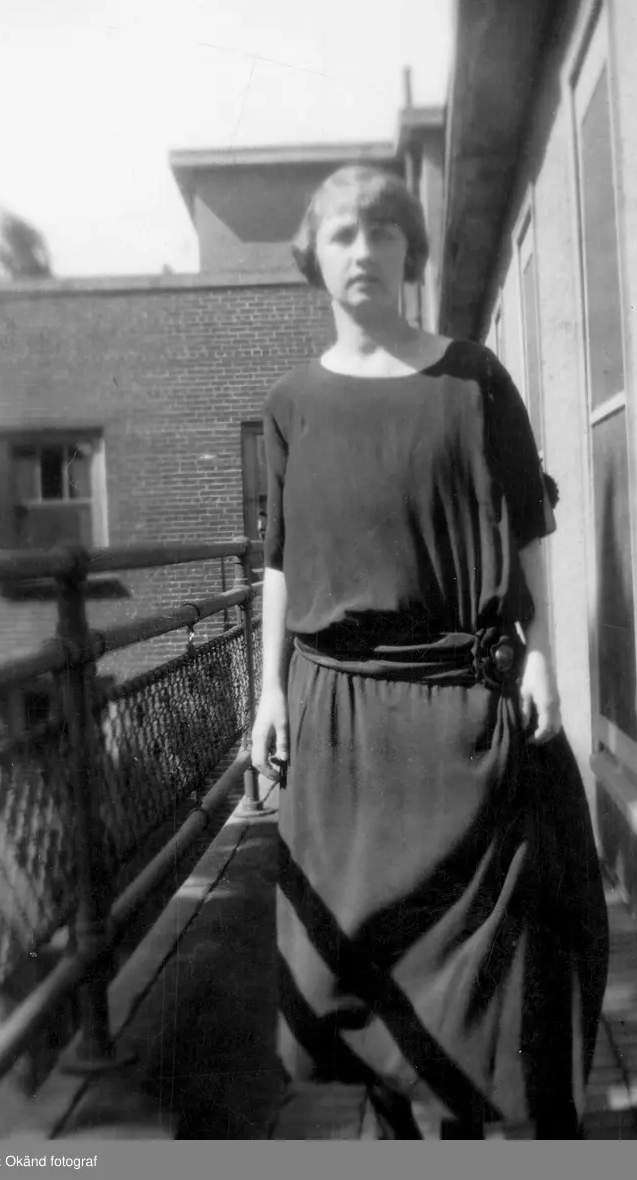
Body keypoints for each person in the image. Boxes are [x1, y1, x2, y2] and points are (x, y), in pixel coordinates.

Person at [251, 165, 608, 1139]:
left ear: (409, 250)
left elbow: (528, 532)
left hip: (461, 712)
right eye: (342, 234)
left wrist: (542, 656)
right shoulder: (290, 405)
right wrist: (268, 694)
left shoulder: (473, 380)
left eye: (382, 231)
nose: (363, 250)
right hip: (342, 726)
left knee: (494, 968)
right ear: (314, 258)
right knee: (362, 959)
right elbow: (278, 561)